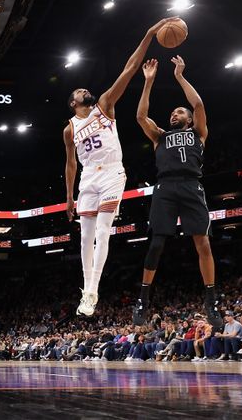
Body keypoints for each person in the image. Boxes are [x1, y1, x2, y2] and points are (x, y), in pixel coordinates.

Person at [63, 17, 177, 316]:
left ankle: (93, 290)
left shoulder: (104, 105)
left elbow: (129, 68)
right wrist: (69, 197)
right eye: (78, 91)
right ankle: (87, 291)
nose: (83, 90)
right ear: (73, 103)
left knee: (103, 231)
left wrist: (150, 33)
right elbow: (70, 164)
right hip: (87, 178)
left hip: (112, 171)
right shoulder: (69, 129)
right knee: (85, 237)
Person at [132, 55, 221, 330]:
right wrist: (148, 83)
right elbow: (140, 116)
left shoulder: (199, 133)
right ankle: (143, 298)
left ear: (190, 119)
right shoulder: (160, 136)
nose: (175, 114)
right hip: (165, 187)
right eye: (173, 112)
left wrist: (180, 77)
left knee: (202, 242)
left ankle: (211, 299)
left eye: (179, 112)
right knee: (157, 243)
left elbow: (198, 104)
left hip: (192, 185)